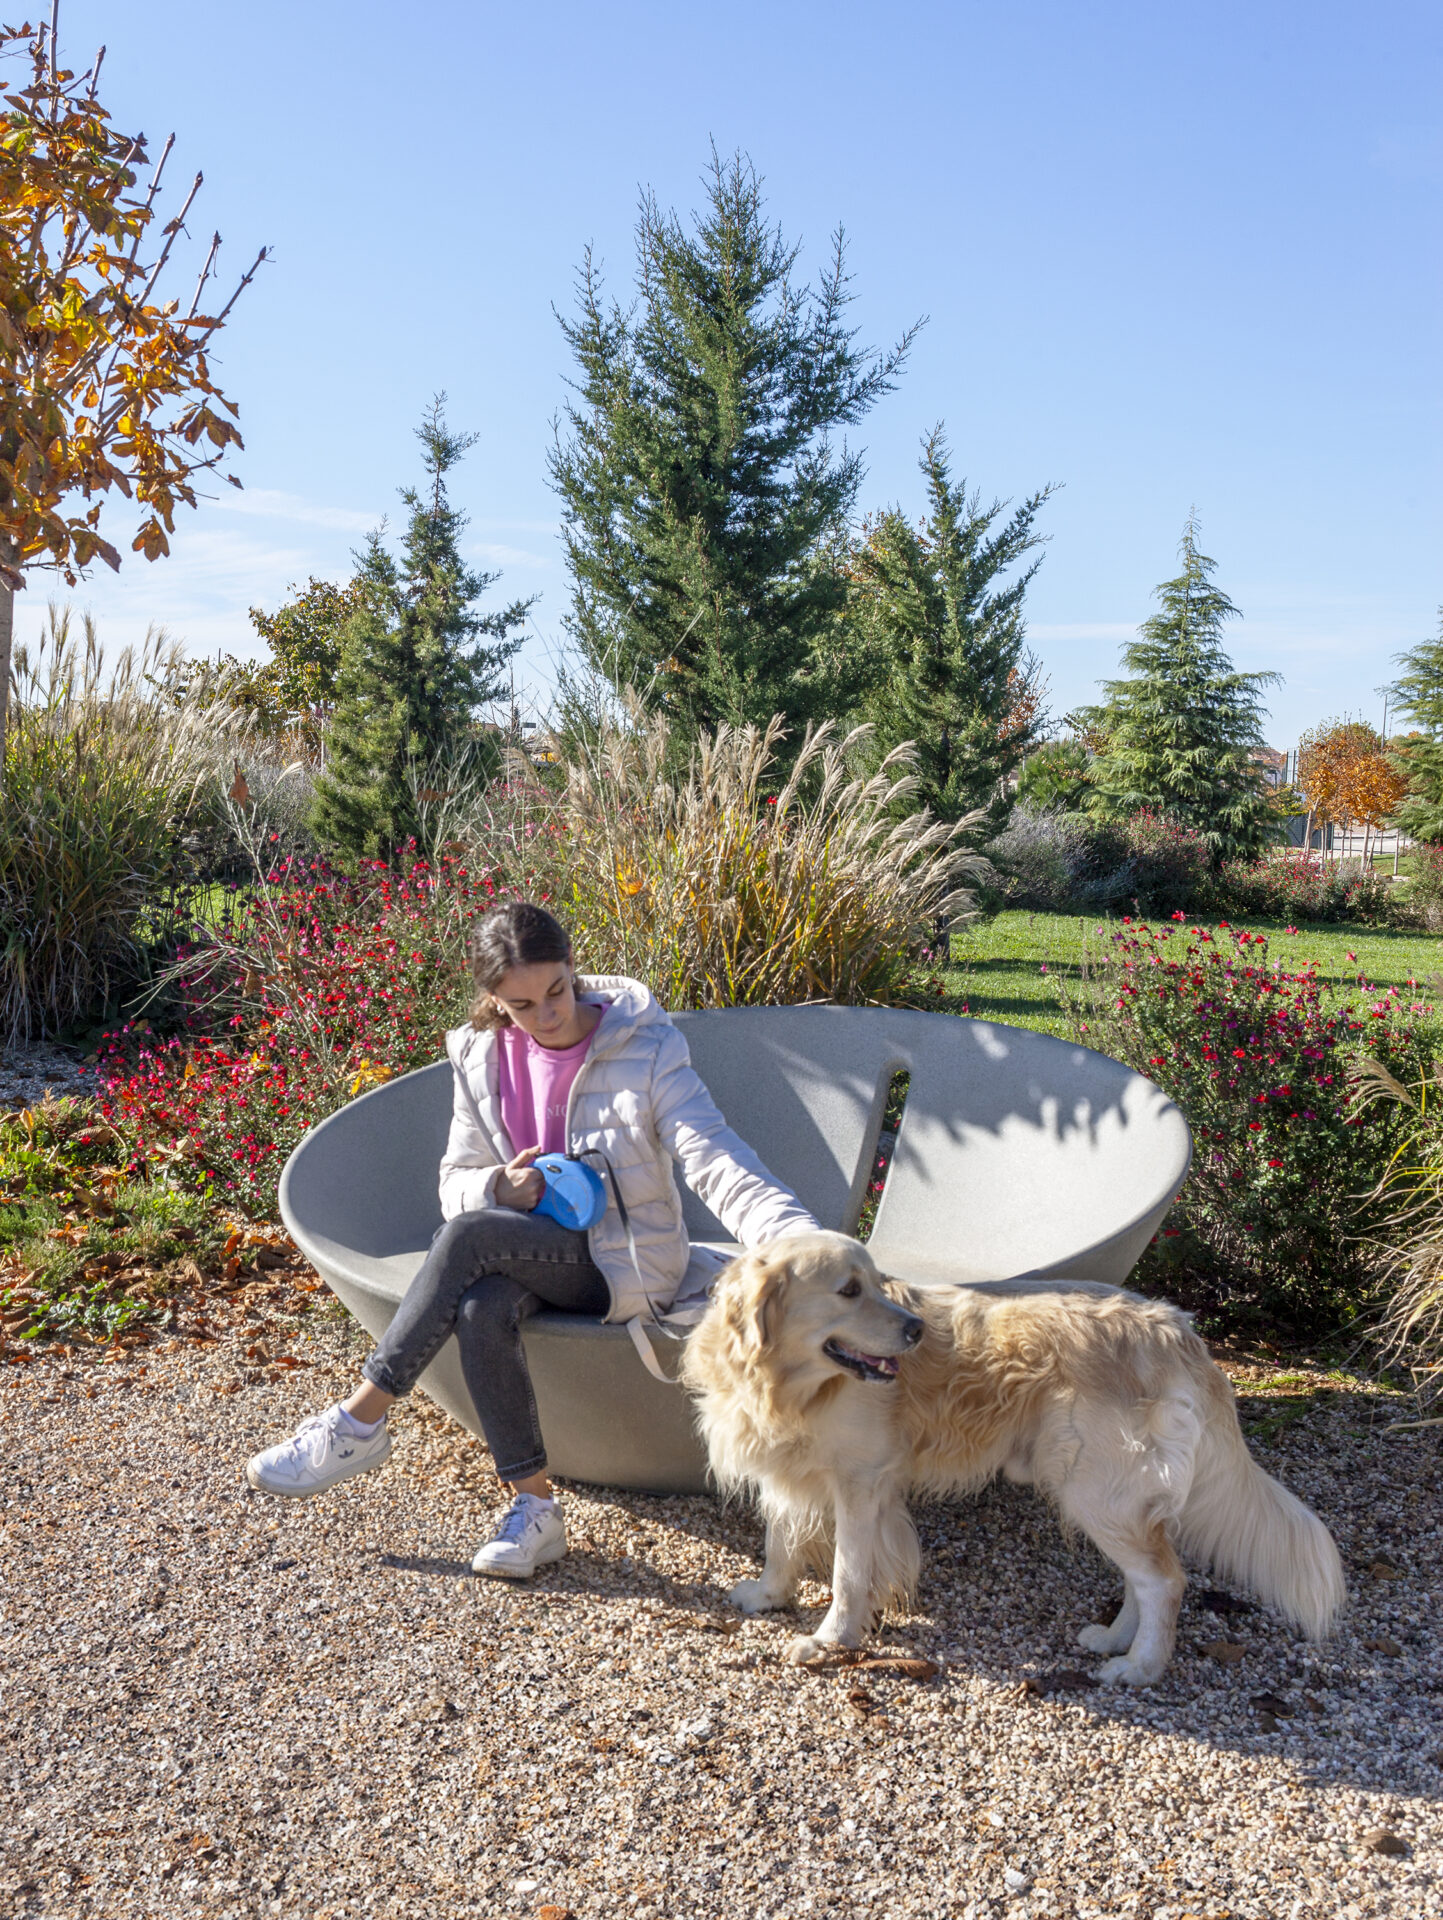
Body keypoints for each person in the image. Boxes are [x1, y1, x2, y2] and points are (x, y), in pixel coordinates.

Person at [245, 900, 818, 1577]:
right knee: (482, 1302)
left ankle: (359, 1420)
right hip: (520, 1251)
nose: (548, 1015)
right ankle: (535, 1509)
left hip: (623, 1263)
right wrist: (498, 1189)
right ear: (494, 1000)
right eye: (522, 1004)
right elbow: (455, 1180)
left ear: (573, 968)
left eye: (557, 990)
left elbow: (713, 1157)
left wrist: (797, 1242)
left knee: (467, 1241)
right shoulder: (481, 1057)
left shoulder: (645, 1047)